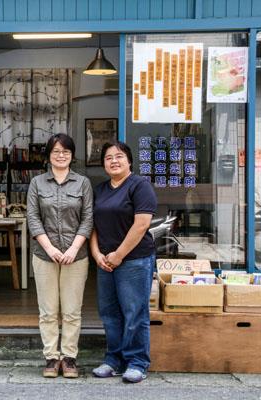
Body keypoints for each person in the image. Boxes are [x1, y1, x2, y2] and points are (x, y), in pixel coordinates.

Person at [26, 133, 93, 379]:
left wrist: (74, 248)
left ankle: (69, 358)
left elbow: (88, 218)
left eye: (65, 151)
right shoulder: (37, 183)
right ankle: (51, 358)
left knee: (72, 310)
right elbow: (33, 219)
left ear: (72, 155)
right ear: (48, 155)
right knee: (48, 310)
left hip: (77, 255)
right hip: (44, 256)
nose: (61, 155)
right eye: (56, 151)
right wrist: (50, 248)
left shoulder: (82, 183)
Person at [90, 140, 157, 383]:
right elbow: (93, 226)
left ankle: (137, 362)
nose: (114, 161)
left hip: (134, 260)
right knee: (109, 313)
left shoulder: (140, 186)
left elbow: (141, 225)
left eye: (119, 156)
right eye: (108, 158)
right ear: (103, 164)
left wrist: (118, 255)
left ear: (129, 161)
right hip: (105, 261)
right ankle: (113, 360)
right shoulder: (100, 190)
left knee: (134, 312)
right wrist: (97, 254)